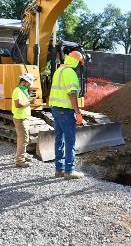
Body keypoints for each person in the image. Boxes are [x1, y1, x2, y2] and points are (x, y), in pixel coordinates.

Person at [49, 51, 85, 180]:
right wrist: (77, 112)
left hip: (55, 108)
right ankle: (69, 171)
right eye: (79, 63)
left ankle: (59, 169)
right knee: (70, 141)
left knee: (59, 139)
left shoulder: (59, 71)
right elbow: (72, 93)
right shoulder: (70, 72)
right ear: (76, 61)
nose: (78, 66)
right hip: (66, 110)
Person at [11, 73, 36, 168]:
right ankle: (20, 161)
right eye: (29, 83)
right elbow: (18, 104)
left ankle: (23, 156)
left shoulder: (23, 90)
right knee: (23, 140)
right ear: (24, 82)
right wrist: (30, 101)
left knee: (23, 139)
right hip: (20, 118)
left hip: (23, 118)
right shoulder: (18, 90)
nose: (30, 85)